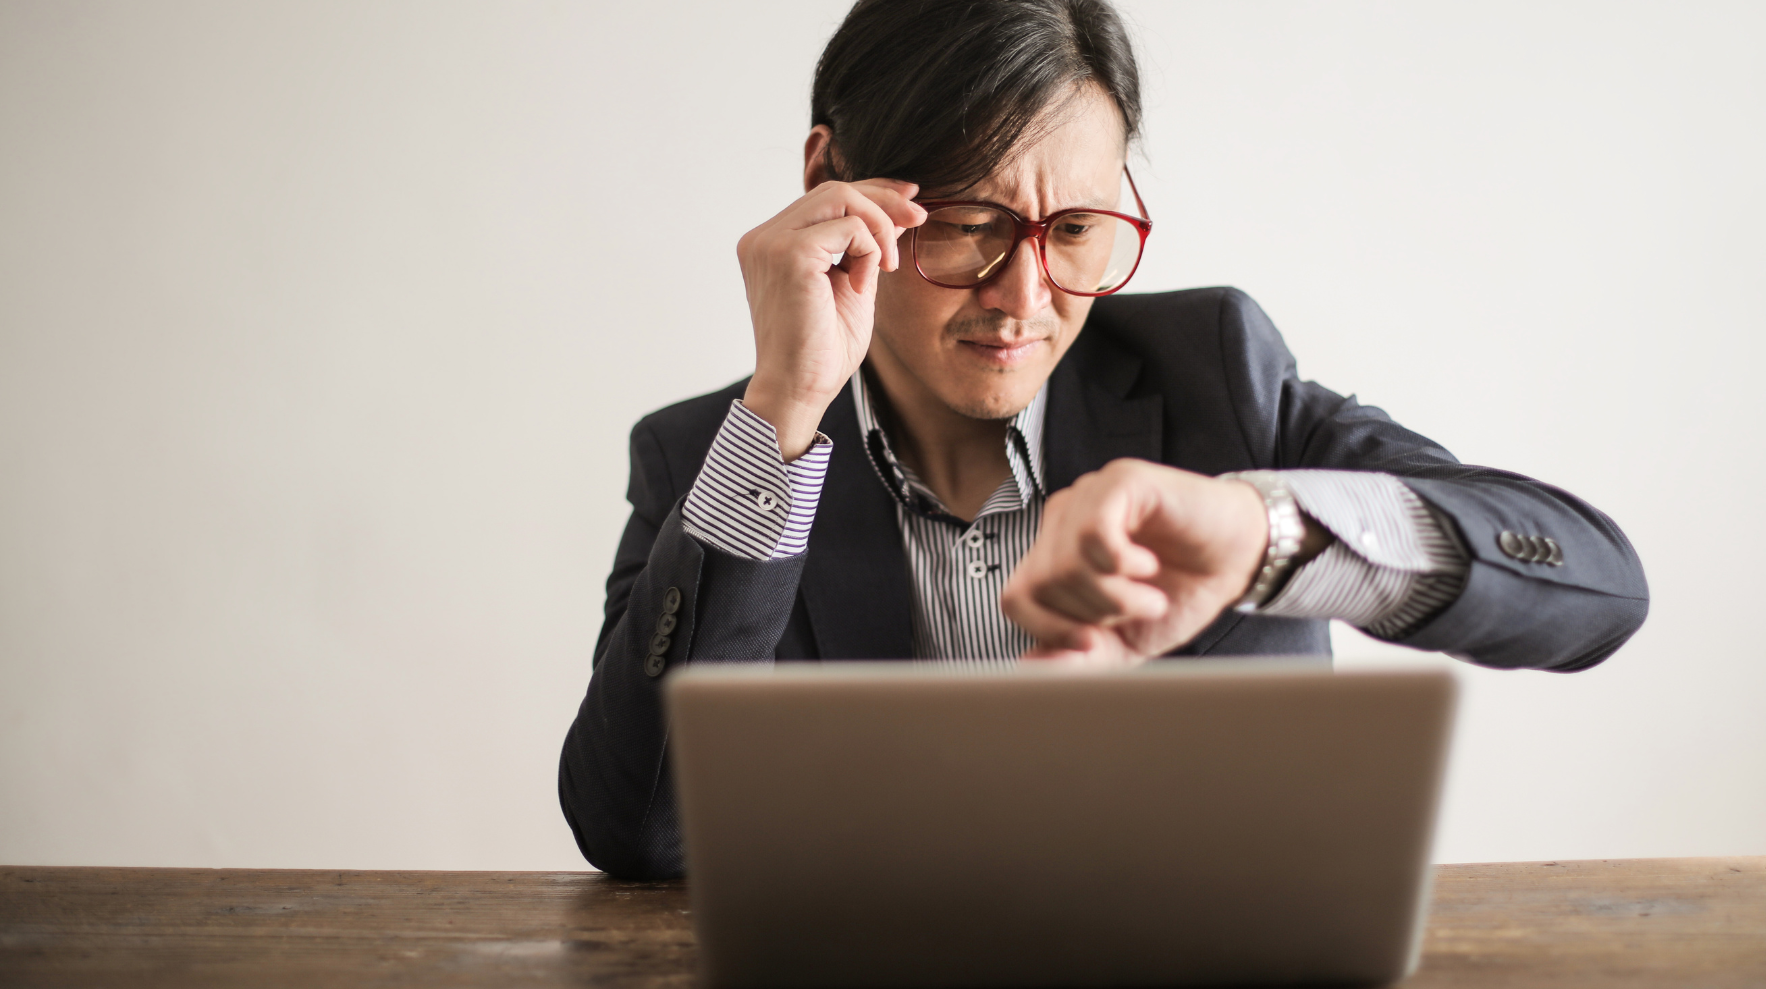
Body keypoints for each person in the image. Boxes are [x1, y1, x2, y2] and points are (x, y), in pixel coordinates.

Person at [560, 0, 1647, 879]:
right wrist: (786, 410)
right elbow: (640, 829)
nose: (1023, 298)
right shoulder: (713, 454)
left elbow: (1595, 584)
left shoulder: (1215, 375)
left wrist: (1265, 529)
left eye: (1074, 230)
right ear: (829, 187)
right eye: (967, 227)